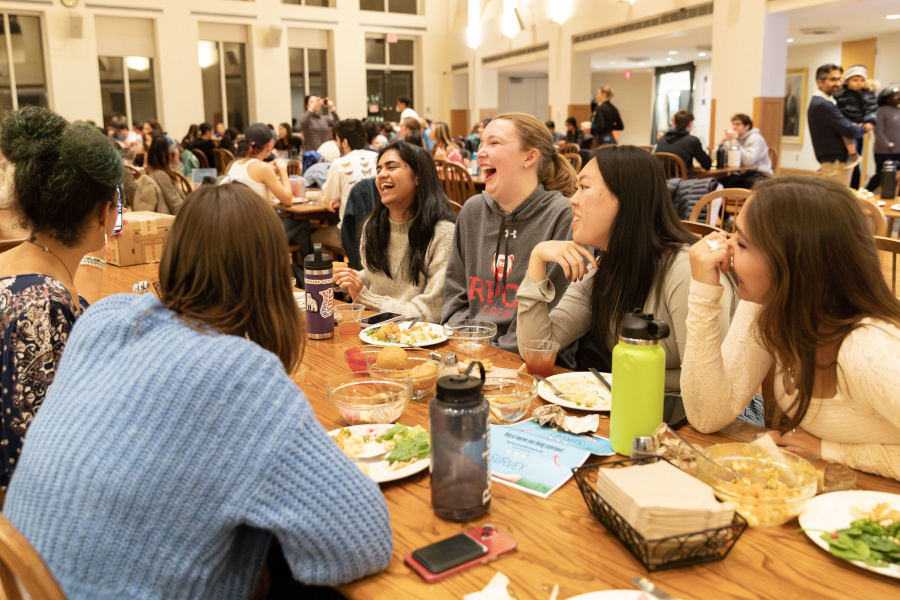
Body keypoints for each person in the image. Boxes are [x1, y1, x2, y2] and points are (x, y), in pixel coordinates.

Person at [3, 183, 394, 598]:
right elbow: (363, 540)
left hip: (24, 583)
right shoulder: (239, 374)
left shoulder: (103, 319)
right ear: (273, 277)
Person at [682, 176, 900, 480]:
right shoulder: (767, 307)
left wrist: (832, 450)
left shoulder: (869, 351)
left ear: (794, 266)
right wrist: (703, 292)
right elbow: (707, 416)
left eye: (741, 243)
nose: (726, 250)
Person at [517, 145, 735, 388]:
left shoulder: (685, 270)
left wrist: (620, 376)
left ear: (626, 198)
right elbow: (535, 349)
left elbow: (706, 384)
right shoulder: (606, 266)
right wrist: (536, 259)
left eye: (584, 187)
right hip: (639, 405)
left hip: (711, 418)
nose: (572, 199)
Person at [0, 106, 124, 490]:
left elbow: (76, 311)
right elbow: (35, 457)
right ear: (106, 212)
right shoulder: (41, 301)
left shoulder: (21, 267)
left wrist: (97, 254)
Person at [442, 112, 577, 353]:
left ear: (529, 157)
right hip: (467, 348)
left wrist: (495, 352)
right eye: (481, 143)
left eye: (494, 143)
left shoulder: (563, 216)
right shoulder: (472, 210)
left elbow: (553, 313)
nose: (480, 152)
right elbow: (455, 294)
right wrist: (465, 342)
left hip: (530, 358)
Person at [334, 141, 455, 322]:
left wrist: (366, 297)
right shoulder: (373, 226)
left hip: (417, 337)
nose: (382, 175)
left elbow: (431, 312)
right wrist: (345, 281)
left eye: (391, 167)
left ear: (418, 177)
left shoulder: (443, 234)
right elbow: (378, 277)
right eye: (379, 170)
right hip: (372, 327)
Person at [315, 119, 378, 249]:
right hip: (379, 230)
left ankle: (334, 269)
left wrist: (337, 199)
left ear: (344, 142)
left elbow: (328, 197)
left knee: (314, 237)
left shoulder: (339, 163)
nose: (336, 144)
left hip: (352, 234)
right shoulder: (378, 157)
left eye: (337, 140)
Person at [808, 63, 866, 186]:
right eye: (833, 79)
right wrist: (863, 127)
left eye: (839, 79)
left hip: (836, 162)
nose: (838, 83)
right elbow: (849, 130)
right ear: (820, 82)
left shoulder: (826, 102)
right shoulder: (822, 104)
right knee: (836, 203)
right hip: (835, 164)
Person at [835, 64, 878, 188]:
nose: (858, 83)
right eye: (855, 80)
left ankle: (854, 187)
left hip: (856, 126)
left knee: (854, 164)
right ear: (847, 81)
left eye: (862, 80)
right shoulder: (841, 93)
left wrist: (869, 122)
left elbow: (871, 109)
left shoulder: (866, 94)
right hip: (842, 125)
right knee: (842, 160)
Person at [135, 135, 186, 215]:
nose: (177, 151)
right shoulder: (161, 174)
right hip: (170, 222)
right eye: (173, 151)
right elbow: (177, 207)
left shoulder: (153, 171)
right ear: (166, 154)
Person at [718, 113, 772, 189]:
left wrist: (734, 142)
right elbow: (715, 159)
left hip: (759, 173)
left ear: (747, 127)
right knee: (718, 182)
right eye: (733, 124)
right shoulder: (734, 139)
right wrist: (722, 143)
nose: (734, 127)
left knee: (748, 183)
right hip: (741, 173)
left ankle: (748, 201)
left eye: (738, 124)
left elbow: (748, 162)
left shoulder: (756, 138)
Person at [655, 109, 712, 177]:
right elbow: (707, 165)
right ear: (690, 124)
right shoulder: (692, 140)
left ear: (674, 123)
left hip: (662, 183)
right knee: (716, 184)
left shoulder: (662, 139)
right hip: (681, 185)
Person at [867, 84, 900, 192]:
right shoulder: (881, 110)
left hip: (898, 151)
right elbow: (878, 130)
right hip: (884, 151)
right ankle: (865, 192)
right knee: (881, 177)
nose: (898, 96)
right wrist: (886, 144)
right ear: (888, 97)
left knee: (897, 178)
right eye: (896, 94)